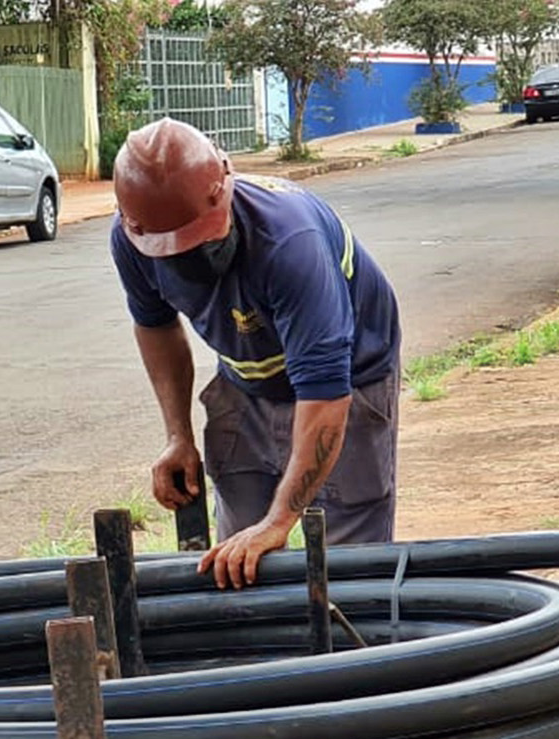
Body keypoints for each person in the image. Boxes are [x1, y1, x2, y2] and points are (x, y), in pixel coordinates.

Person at [110, 117, 402, 589]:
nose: (195, 256)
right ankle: (262, 658)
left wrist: (280, 521)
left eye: (204, 237)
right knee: (237, 562)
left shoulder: (290, 241)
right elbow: (156, 327)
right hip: (246, 377)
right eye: (177, 248)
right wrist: (177, 436)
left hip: (348, 379)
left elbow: (326, 395)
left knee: (349, 564)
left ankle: (355, 656)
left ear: (225, 185)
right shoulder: (134, 239)